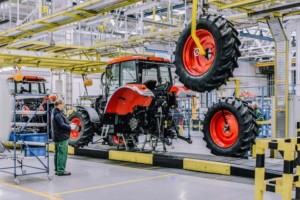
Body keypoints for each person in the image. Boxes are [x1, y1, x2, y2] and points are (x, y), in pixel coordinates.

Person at [51, 99, 75, 176]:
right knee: (62, 153)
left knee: (57, 153)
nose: (63, 106)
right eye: (63, 104)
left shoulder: (54, 112)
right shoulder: (57, 114)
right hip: (61, 137)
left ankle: (57, 169)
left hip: (56, 136)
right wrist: (70, 127)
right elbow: (61, 125)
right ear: (59, 104)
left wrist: (69, 123)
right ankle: (61, 170)